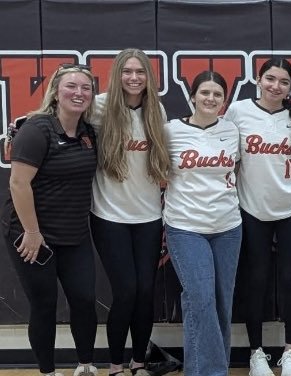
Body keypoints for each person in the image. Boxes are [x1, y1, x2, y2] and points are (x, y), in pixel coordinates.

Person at [5, 63, 99, 376]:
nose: (79, 92)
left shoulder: (88, 133)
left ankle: (86, 365)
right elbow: (18, 183)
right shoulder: (38, 128)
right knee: (44, 305)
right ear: (56, 92)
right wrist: (32, 232)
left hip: (74, 234)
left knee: (84, 300)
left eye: (86, 88)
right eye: (71, 86)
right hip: (33, 236)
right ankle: (47, 371)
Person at [225, 57, 291, 376]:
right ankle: (256, 352)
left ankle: (290, 352)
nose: (276, 86)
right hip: (252, 207)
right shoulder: (238, 112)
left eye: (284, 82)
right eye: (270, 79)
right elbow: (229, 158)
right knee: (256, 279)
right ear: (258, 80)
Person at [88, 48, 170, 376]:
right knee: (125, 292)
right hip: (109, 216)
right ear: (117, 74)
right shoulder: (99, 107)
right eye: (127, 71)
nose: (134, 78)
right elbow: (60, 117)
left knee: (146, 292)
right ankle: (116, 365)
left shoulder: (156, 111)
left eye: (140, 72)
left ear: (148, 77)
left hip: (148, 216)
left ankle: (139, 362)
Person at [162, 71, 242, 376]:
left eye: (217, 95)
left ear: (224, 101)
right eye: (205, 93)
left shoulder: (232, 131)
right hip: (186, 226)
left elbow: (237, 170)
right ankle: (209, 372)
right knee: (200, 298)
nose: (211, 99)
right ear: (192, 97)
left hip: (228, 226)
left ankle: (208, 368)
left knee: (221, 303)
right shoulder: (171, 131)